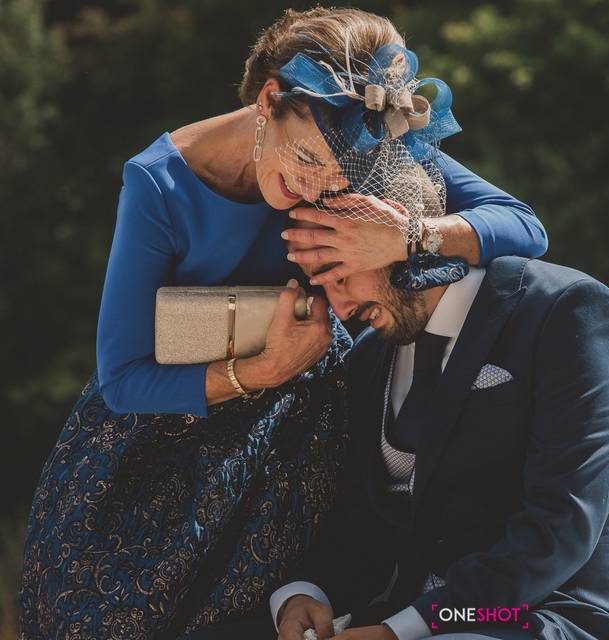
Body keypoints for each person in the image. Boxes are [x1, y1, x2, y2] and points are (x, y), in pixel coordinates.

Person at [18, 7, 548, 639]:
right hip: (161, 454)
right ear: (270, 99)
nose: (313, 186)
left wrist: (408, 234)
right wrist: (262, 371)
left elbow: (524, 227)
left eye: (337, 173)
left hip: (307, 453)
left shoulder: (362, 141)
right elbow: (123, 380)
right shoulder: (157, 182)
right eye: (306, 157)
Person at [190, 255, 609, 640]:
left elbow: (559, 527)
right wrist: (304, 595)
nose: (340, 305)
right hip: (418, 620)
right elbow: (362, 520)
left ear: (394, 237)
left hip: (547, 614)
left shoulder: (565, 308)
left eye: (340, 274)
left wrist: (401, 631)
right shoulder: (371, 356)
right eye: (322, 285)